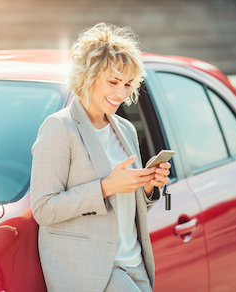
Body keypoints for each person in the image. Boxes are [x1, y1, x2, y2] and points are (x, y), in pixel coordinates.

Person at [30, 23, 171, 292]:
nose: (121, 93)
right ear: (88, 75)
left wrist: (149, 185)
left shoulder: (126, 129)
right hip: (94, 272)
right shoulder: (60, 127)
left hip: (135, 264)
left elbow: (127, 206)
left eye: (128, 84)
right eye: (113, 82)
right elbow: (44, 209)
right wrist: (107, 187)